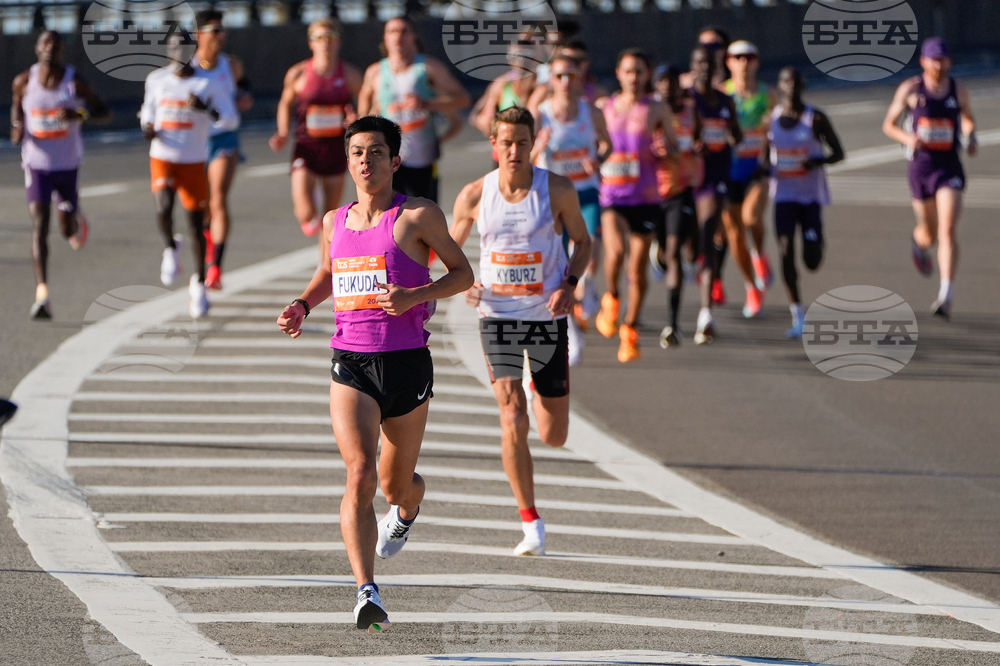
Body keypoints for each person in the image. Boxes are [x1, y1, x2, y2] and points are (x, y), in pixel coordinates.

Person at [276, 116, 473, 632]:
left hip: (407, 361)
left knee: (395, 485)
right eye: (358, 152)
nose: (366, 161)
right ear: (348, 161)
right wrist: (303, 303)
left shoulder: (417, 216)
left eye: (377, 152)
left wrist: (415, 295)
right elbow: (329, 271)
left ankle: (406, 511)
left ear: (395, 161)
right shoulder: (333, 221)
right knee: (360, 472)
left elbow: (462, 273)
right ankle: (366, 590)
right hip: (353, 361)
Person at [450, 107, 592, 556]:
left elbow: (584, 242)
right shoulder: (475, 194)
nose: (514, 151)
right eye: (506, 143)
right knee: (512, 416)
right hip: (499, 317)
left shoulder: (558, 190)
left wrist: (569, 284)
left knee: (554, 434)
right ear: (494, 144)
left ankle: (538, 388)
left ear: (534, 144)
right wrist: (465, 282)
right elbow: (448, 251)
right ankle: (530, 521)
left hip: (547, 316)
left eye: (522, 142)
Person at [10, 30, 109, 319]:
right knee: (39, 223)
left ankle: (76, 218)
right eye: (45, 44)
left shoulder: (74, 83)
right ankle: (42, 294)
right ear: (36, 48)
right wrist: (17, 127)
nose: (50, 49)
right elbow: (18, 111)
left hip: (67, 164)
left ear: (62, 50)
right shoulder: (23, 81)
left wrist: (77, 116)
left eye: (56, 45)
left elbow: (104, 112)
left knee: (66, 229)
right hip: (36, 163)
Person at [141, 36, 238, 318]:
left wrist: (205, 109)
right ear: (168, 51)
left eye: (184, 48)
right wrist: (147, 124)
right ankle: (170, 247)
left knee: (196, 226)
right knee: (163, 205)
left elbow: (230, 119)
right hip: (162, 155)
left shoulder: (208, 83)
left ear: (192, 51)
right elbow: (148, 108)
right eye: (173, 48)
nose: (178, 53)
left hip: (194, 160)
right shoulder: (156, 79)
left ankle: (198, 283)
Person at [882, 37, 976, 320]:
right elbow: (888, 125)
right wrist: (908, 137)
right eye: (934, 59)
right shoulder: (911, 89)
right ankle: (919, 242)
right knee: (930, 233)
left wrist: (971, 135)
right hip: (920, 168)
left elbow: (968, 118)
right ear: (923, 61)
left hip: (949, 166)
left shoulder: (958, 89)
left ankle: (946, 294)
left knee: (947, 230)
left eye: (943, 59)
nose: (939, 64)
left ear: (949, 62)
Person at [594, 49, 677, 363]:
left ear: (647, 74)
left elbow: (675, 151)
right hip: (612, 197)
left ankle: (629, 329)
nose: (633, 77)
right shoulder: (605, 107)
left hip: (645, 197)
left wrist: (664, 149)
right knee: (615, 253)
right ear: (618, 73)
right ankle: (612, 297)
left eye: (639, 72)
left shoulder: (656, 108)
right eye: (628, 71)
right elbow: (592, 143)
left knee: (638, 271)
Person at [529, 53, 611, 364]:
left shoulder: (591, 112)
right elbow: (526, 156)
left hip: (587, 191)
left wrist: (598, 160)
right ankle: (571, 329)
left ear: (580, 80)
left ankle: (587, 286)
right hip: (555, 199)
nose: (565, 82)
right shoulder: (541, 114)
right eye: (560, 76)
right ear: (551, 81)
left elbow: (608, 144)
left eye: (571, 76)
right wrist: (538, 147)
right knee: (561, 267)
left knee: (593, 248)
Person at [766, 67, 844, 338]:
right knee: (785, 251)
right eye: (786, 81)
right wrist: (763, 169)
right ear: (779, 87)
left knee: (811, 260)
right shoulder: (771, 120)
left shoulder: (816, 118)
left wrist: (816, 161)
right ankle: (797, 313)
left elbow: (839, 153)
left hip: (810, 198)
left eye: (796, 82)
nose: (791, 87)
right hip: (784, 196)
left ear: (803, 86)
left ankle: (818, 242)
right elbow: (765, 158)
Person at [358, 16, 470, 202]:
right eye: (392, 31)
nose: (398, 36)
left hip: (422, 156)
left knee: (424, 214)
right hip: (388, 156)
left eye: (403, 31)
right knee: (391, 215)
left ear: (413, 36)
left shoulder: (427, 67)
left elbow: (463, 99)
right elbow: (365, 106)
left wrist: (428, 104)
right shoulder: (376, 72)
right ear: (385, 38)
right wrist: (358, 123)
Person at [270, 18, 363, 240]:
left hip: (336, 149)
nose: (325, 43)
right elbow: (285, 103)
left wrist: (356, 121)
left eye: (330, 38)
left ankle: (325, 265)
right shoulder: (299, 73)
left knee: (329, 219)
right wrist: (283, 131)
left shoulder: (349, 74)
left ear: (338, 42)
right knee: (305, 213)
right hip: (307, 147)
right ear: (311, 42)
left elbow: (365, 105)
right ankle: (311, 203)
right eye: (319, 38)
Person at [191, 9, 252, 290]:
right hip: (194, 141)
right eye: (214, 30)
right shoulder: (188, 67)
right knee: (202, 206)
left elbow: (243, 89)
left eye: (222, 30)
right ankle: (207, 237)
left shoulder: (232, 64)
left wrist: (244, 99)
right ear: (198, 34)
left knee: (217, 198)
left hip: (224, 138)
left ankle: (216, 266)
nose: (220, 36)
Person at [688, 45, 741, 345]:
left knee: (709, 232)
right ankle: (685, 256)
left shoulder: (725, 100)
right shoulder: (687, 100)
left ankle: (706, 312)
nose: (705, 68)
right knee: (692, 238)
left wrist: (731, 135)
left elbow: (737, 134)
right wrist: (693, 142)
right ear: (693, 66)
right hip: (687, 177)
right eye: (700, 63)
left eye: (709, 63)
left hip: (717, 176)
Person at [650, 64, 702, 348]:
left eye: (672, 82)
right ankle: (655, 249)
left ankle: (672, 323)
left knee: (677, 252)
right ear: (656, 86)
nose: (668, 88)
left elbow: (700, 139)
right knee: (665, 251)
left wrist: (697, 147)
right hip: (649, 192)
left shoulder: (691, 112)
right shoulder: (647, 113)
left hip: (681, 190)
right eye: (662, 83)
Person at [723, 40, 774, 318]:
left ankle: (760, 255)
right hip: (728, 173)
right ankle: (751, 286)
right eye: (737, 57)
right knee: (734, 235)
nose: (744, 62)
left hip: (757, 169)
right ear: (728, 61)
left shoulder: (768, 94)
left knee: (751, 218)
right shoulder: (722, 93)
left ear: (757, 61)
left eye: (749, 57)